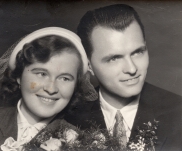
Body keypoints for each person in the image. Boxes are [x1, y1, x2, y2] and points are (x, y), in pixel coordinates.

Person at [65, 4, 182, 151]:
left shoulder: (178, 112)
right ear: (89, 65)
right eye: (114, 58)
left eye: (137, 52)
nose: (132, 69)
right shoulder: (68, 117)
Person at [0, 27, 97, 151]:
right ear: (19, 76)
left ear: (75, 87)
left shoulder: (83, 143)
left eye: (64, 78)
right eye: (41, 74)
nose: (51, 88)